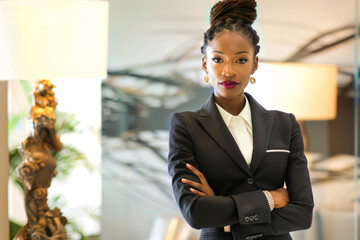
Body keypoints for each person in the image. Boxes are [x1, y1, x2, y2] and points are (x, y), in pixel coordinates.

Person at [167, 0, 314, 239]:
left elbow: (303, 213)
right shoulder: (186, 126)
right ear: (205, 64)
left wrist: (221, 207)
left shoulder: (285, 125)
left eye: (241, 60)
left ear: (254, 64)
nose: (229, 71)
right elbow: (195, 213)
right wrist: (270, 198)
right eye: (218, 59)